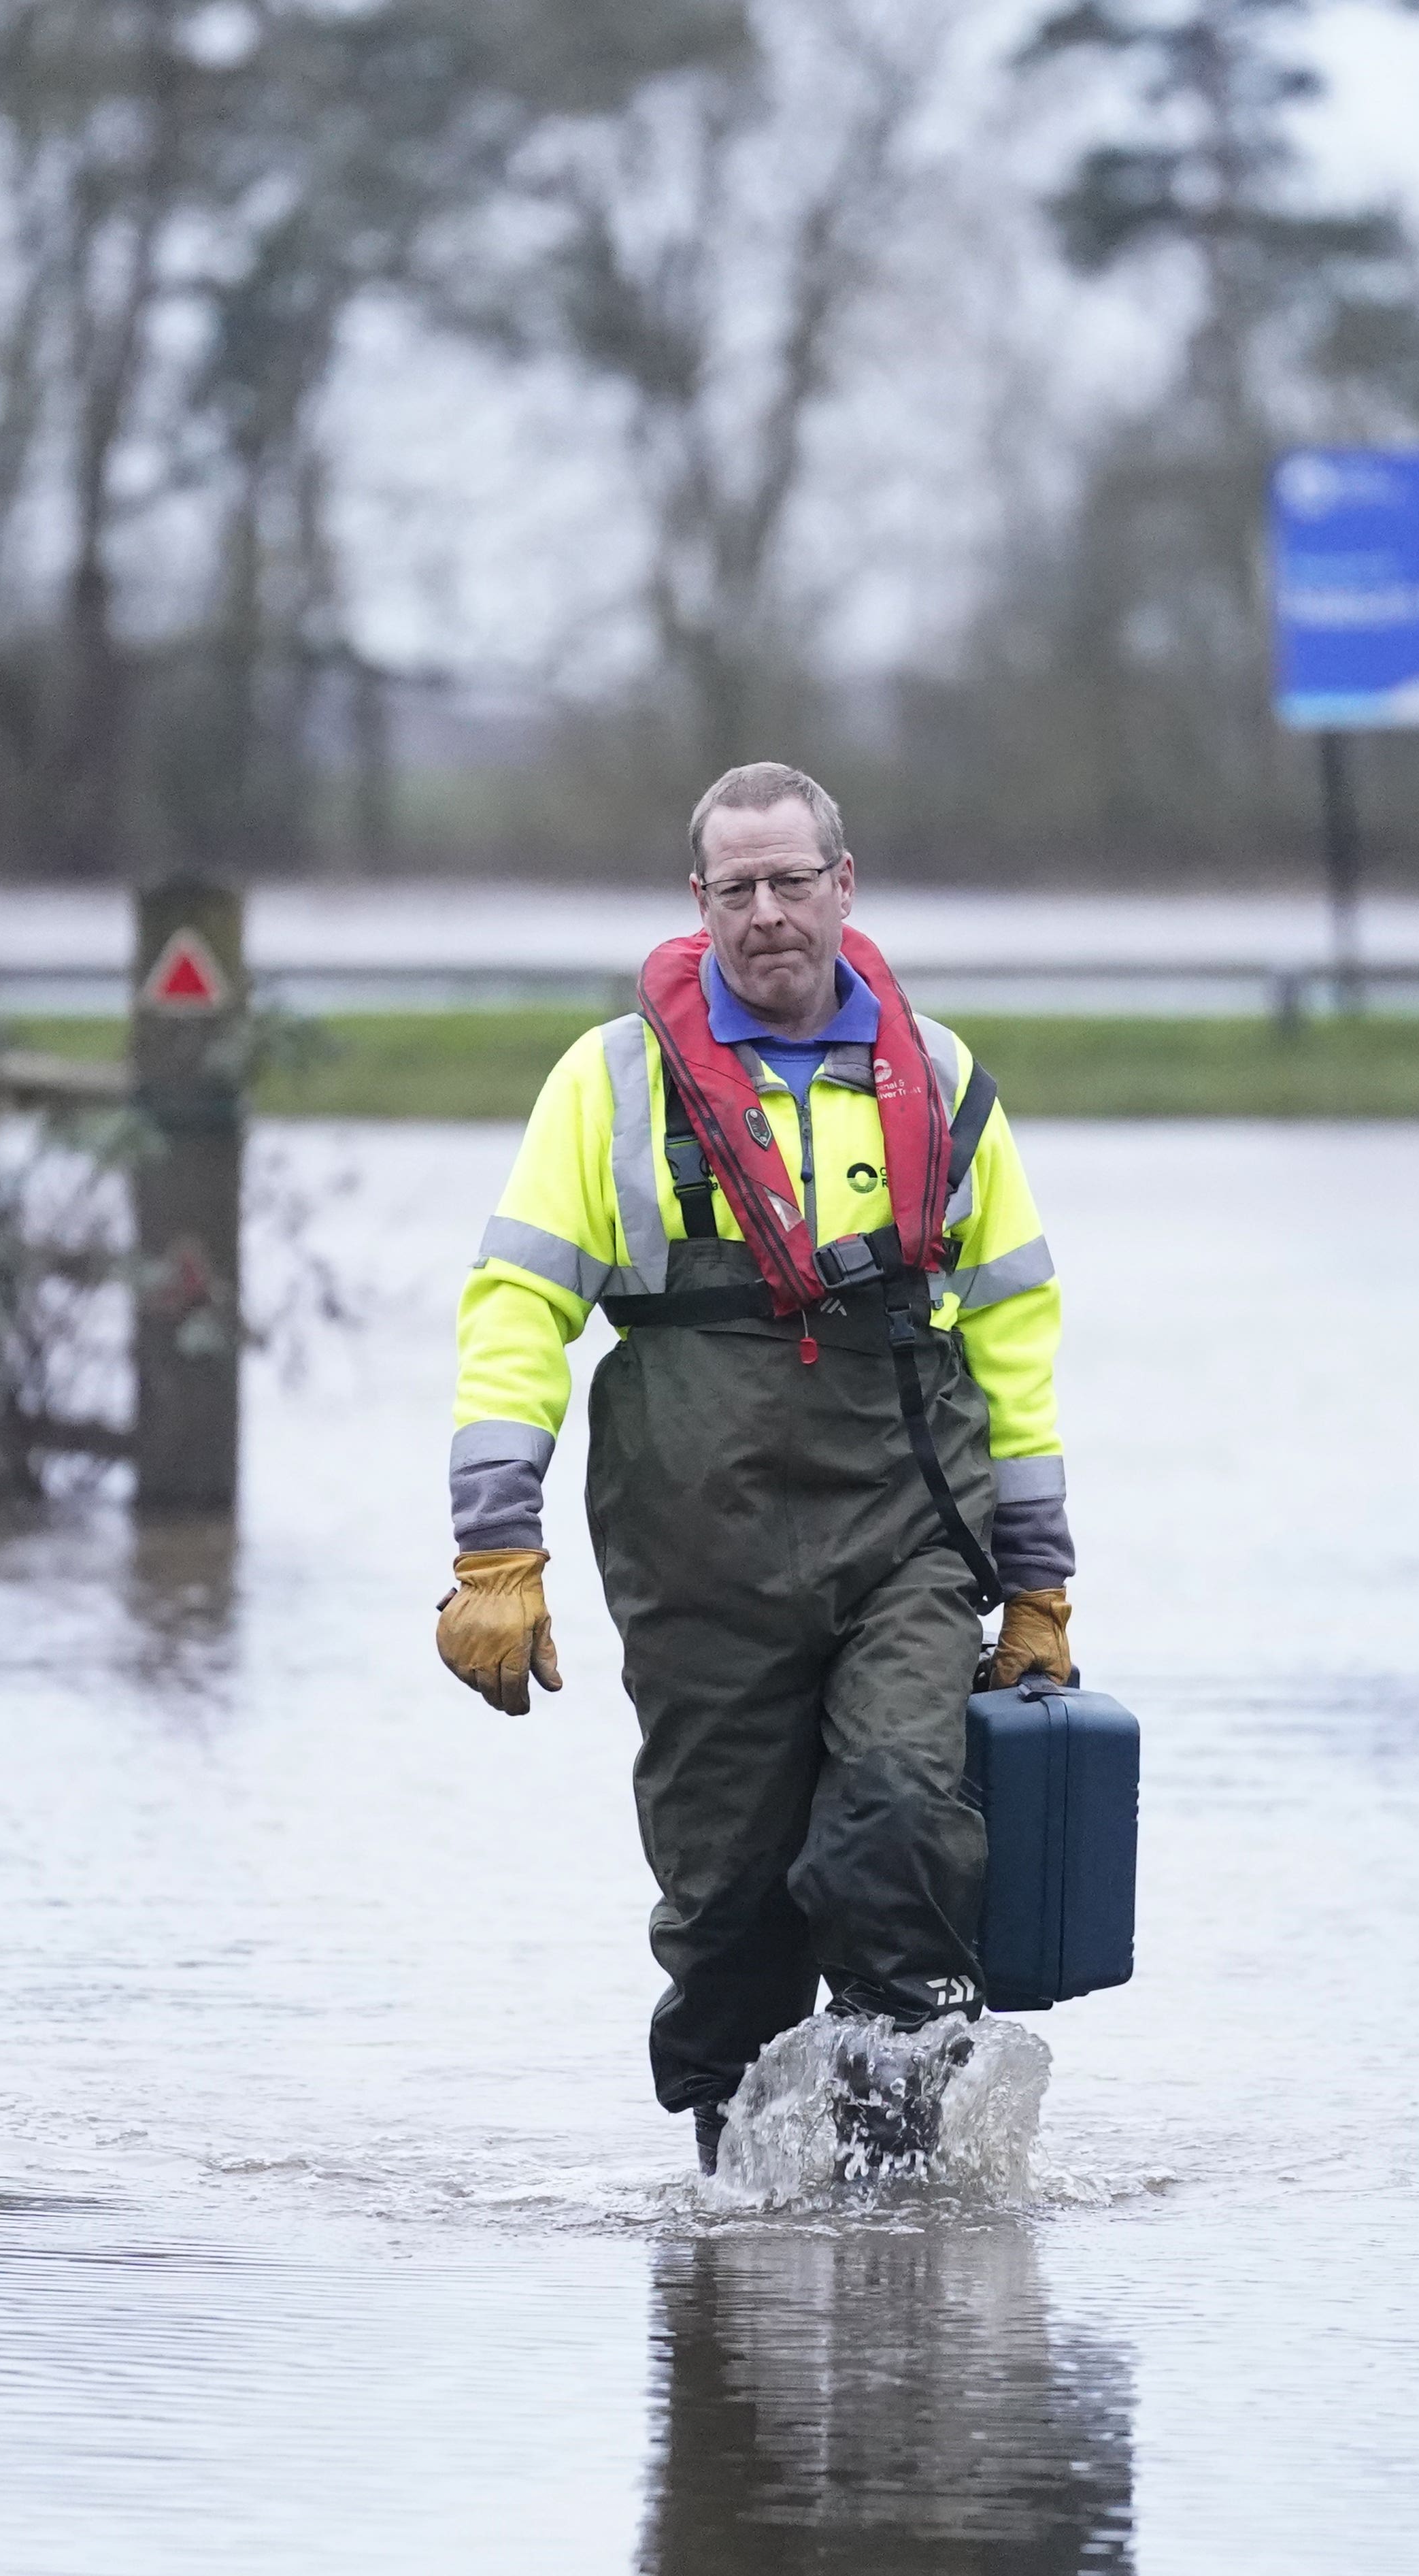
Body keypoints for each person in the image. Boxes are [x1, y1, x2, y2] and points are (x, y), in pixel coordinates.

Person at [434, 761, 1078, 2174]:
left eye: (795, 881)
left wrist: (1039, 1588)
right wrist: (494, 1544)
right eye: (740, 888)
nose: (769, 911)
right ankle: (733, 2214)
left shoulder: (947, 1084)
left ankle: (903, 2179)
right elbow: (516, 1308)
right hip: (695, 1552)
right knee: (724, 1905)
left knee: (904, 1820)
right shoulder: (605, 1082)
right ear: (699, 901)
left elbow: (1017, 1343)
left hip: (902, 1529)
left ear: (844, 885)